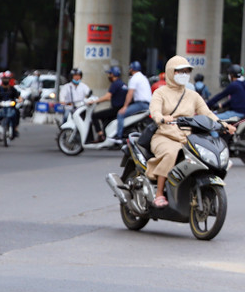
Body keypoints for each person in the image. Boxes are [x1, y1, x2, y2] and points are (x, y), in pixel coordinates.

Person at [146, 56, 234, 208]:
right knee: (171, 154)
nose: (184, 74)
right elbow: (155, 111)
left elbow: (208, 114)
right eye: (180, 71)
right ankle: (159, 193)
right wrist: (161, 118)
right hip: (165, 136)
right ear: (171, 72)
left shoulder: (193, 95)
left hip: (188, 138)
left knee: (209, 156)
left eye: (187, 71)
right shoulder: (160, 93)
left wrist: (224, 124)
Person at [113, 61, 152, 142]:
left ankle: (119, 137)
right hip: (147, 105)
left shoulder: (134, 78)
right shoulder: (143, 77)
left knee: (120, 114)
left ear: (131, 69)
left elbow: (130, 94)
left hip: (141, 104)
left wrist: (124, 107)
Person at [86, 65, 127, 141]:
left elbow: (108, 97)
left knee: (94, 115)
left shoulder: (115, 84)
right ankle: (105, 137)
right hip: (120, 108)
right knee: (105, 120)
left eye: (109, 74)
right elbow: (114, 97)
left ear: (113, 74)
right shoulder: (122, 84)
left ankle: (100, 135)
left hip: (116, 109)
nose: (108, 76)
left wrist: (95, 101)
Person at [0, 73, 21, 139]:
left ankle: (15, 128)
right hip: (0, 107)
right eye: (4, 79)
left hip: (10, 106)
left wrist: (20, 100)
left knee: (17, 113)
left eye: (7, 79)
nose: (5, 80)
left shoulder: (12, 89)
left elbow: (18, 97)